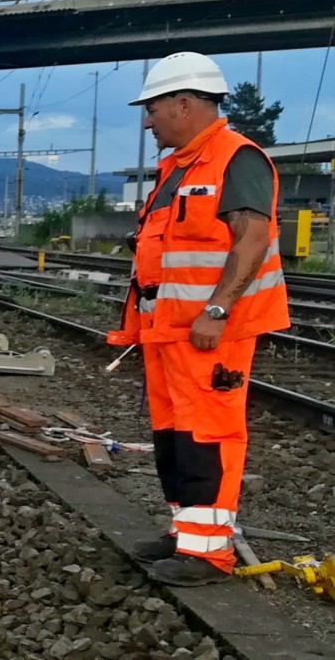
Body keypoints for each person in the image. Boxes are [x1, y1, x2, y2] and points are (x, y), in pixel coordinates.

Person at [107, 51, 290, 587]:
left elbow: (252, 239)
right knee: (174, 437)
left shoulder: (236, 158)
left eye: (152, 109)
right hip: (169, 333)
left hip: (210, 333)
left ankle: (209, 554)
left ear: (184, 104)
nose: (148, 122)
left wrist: (216, 309)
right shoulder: (179, 169)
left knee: (208, 436)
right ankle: (187, 533)